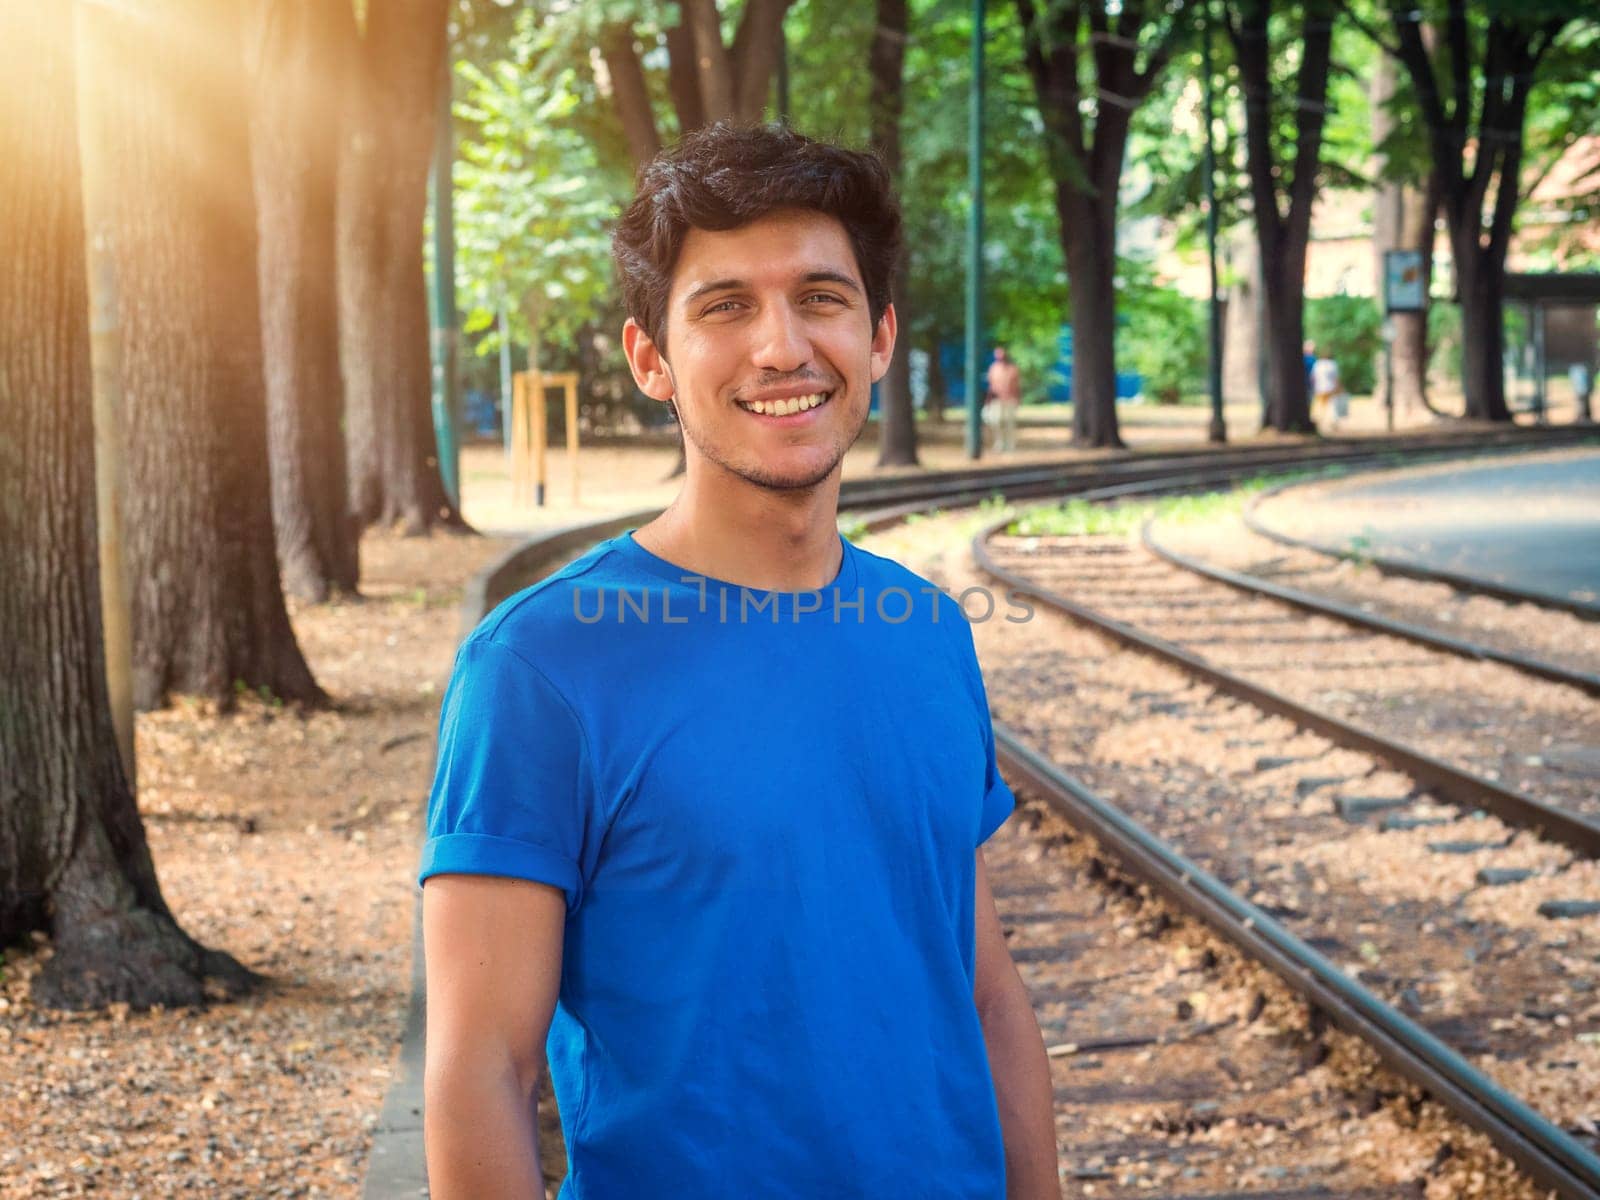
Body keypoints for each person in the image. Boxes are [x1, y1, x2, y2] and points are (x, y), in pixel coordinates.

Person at [419, 121, 1059, 1199]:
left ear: (880, 335)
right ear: (651, 360)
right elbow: (482, 1069)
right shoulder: (539, 669)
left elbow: (983, 992)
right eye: (724, 307)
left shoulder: (928, 632)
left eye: (821, 297)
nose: (780, 347)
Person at [986, 345, 1022, 452]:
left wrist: (1017, 399)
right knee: (995, 420)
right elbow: (991, 385)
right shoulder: (993, 368)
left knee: (1009, 423)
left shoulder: (1012, 369)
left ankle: (1010, 444)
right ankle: (999, 443)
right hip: (996, 400)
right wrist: (988, 399)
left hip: (1010, 399)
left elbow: (1017, 386)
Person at [1311, 351, 1344, 431]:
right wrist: (1339, 387)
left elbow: (1313, 377)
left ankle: (1319, 421)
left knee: (1320, 406)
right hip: (1331, 388)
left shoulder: (1317, 364)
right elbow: (1336, 378)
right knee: (1332, 406)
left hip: (1319, 388)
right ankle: (1333, 422)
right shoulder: (1332, 364)